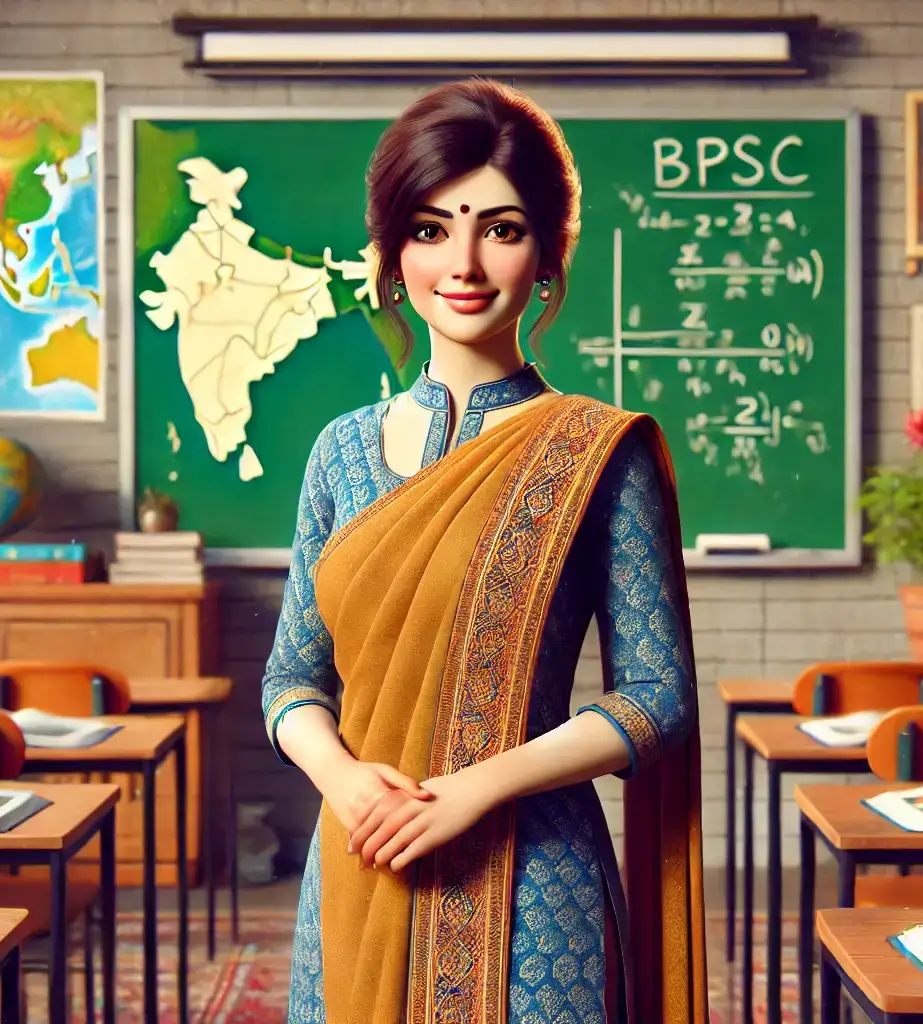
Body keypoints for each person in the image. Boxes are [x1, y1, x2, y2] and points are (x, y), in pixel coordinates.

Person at [259, 77, 707, 1023]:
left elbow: (657, 697)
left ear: (547, 254)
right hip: (361, 850)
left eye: (500, 229)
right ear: (390, 252)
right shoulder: (340, 450)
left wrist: (473, 790)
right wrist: (345, 782)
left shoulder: (599, 450)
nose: (462, 262)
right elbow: (291, 681)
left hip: (536, 877)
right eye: (430, 229)